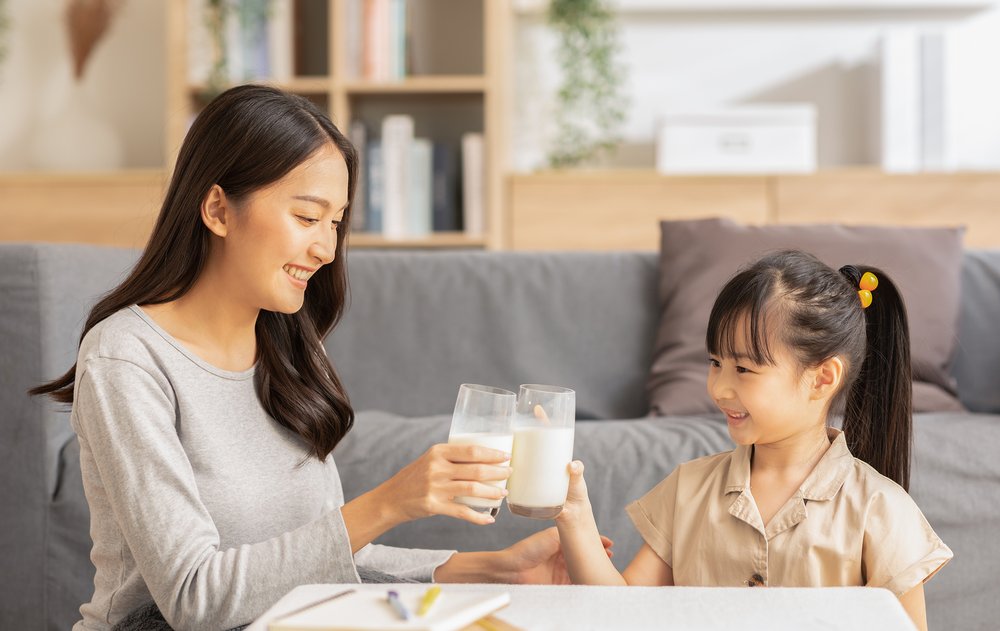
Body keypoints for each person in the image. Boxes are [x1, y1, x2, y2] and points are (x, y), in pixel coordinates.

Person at [31, 85, 592, 631]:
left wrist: (489, 568)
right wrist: (389, 502)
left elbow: (303, 562)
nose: (326, 249)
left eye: (336, 222)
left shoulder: (290, 349)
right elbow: (193, 598)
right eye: (307, 217)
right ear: (218, 209)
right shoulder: (128, 357)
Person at [553, 249, 953, 631]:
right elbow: (619, 613)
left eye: (743, 368)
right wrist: (572, 514)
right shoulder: (688, 490)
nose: (720, 388)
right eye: (715, 363)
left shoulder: (880, 509)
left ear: (822, 378)